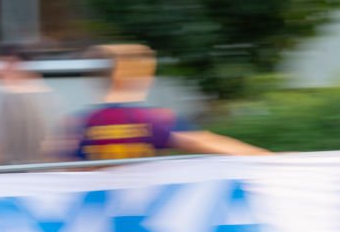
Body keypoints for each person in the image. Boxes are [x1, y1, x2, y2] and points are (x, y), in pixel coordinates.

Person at [70, 44, 268, 160]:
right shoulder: (156, 119)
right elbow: (206, 143)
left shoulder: (78, 124)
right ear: (127, 77)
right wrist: (273, 162)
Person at [0, 45, 65, 165]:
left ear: (12, 64)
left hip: (15, 168)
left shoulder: (8, 96)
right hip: (42, 167)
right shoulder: (46, 93)